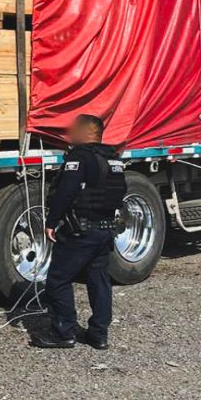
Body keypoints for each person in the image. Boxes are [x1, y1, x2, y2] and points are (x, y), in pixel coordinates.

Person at [30, 114, 128, 351]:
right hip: (105, 230)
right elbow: (120, 192)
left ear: (84, 133)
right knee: (99, 280)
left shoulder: (80, 158)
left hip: (80, 231)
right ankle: (99, 334)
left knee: (58, 279)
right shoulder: (113, 158)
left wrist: (52, 221)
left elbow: (66, 191)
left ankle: (64, 332)